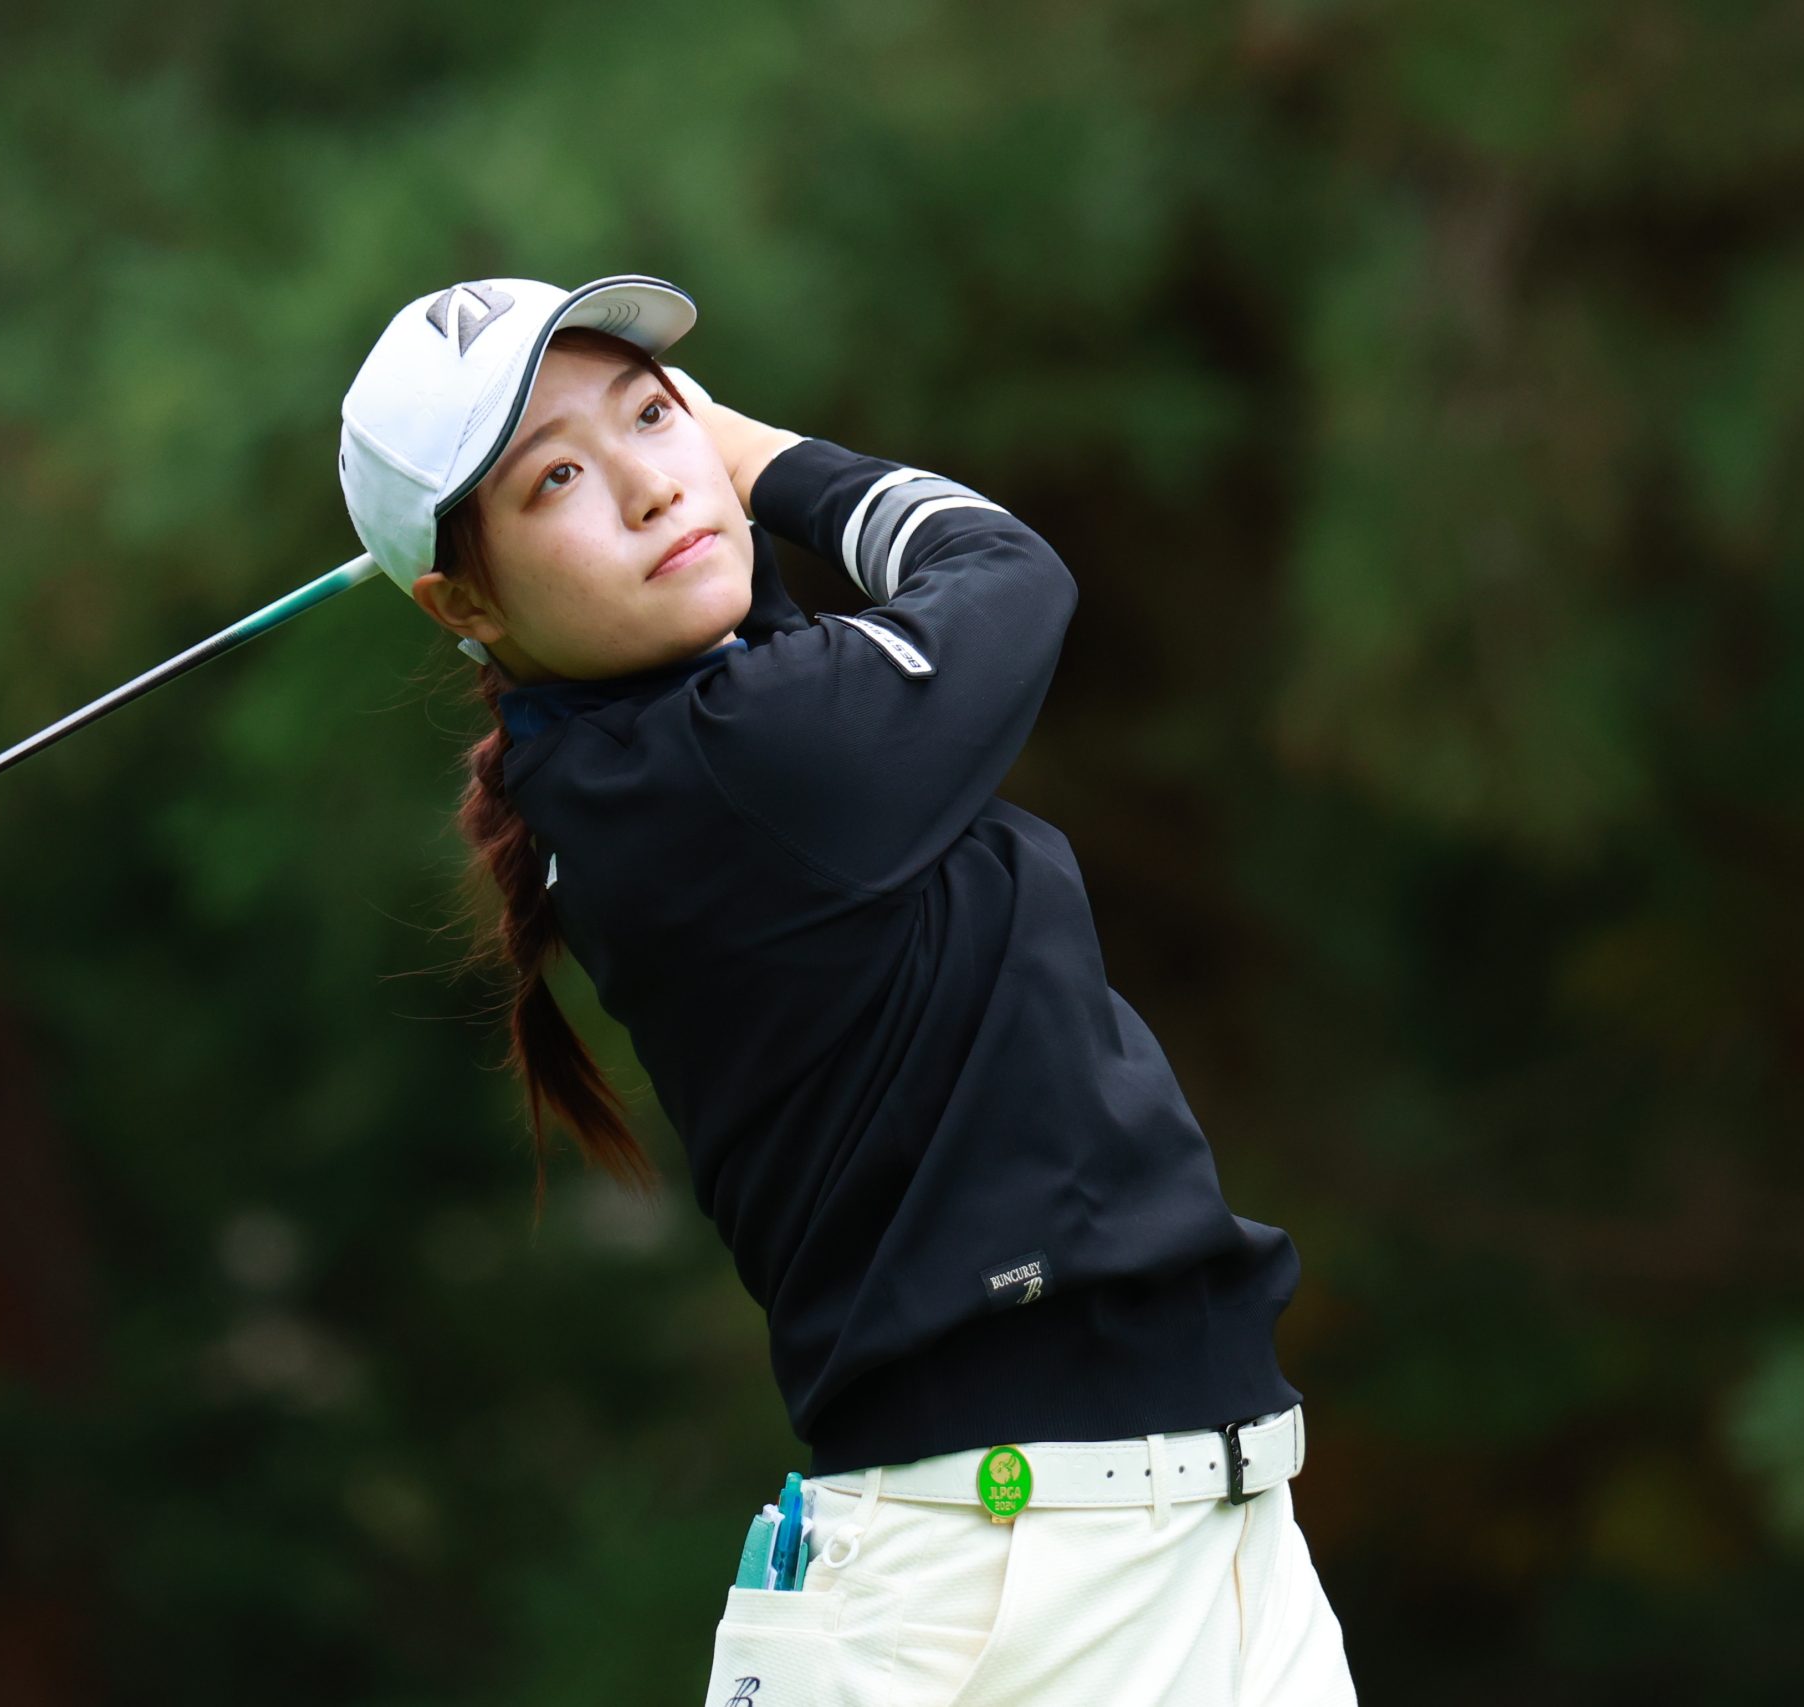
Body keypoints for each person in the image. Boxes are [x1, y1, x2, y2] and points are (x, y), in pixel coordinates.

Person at [337, 275, 1357, 1705]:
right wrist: (758, 458)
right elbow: (1006, 573)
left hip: (1187, 1549)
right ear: (466, 602)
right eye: (556, 477)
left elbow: (783, 618)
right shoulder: (732, 765)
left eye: (650, 416)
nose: (648, 487)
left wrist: (704, 484)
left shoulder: (672, 736)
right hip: (1005, 1597)